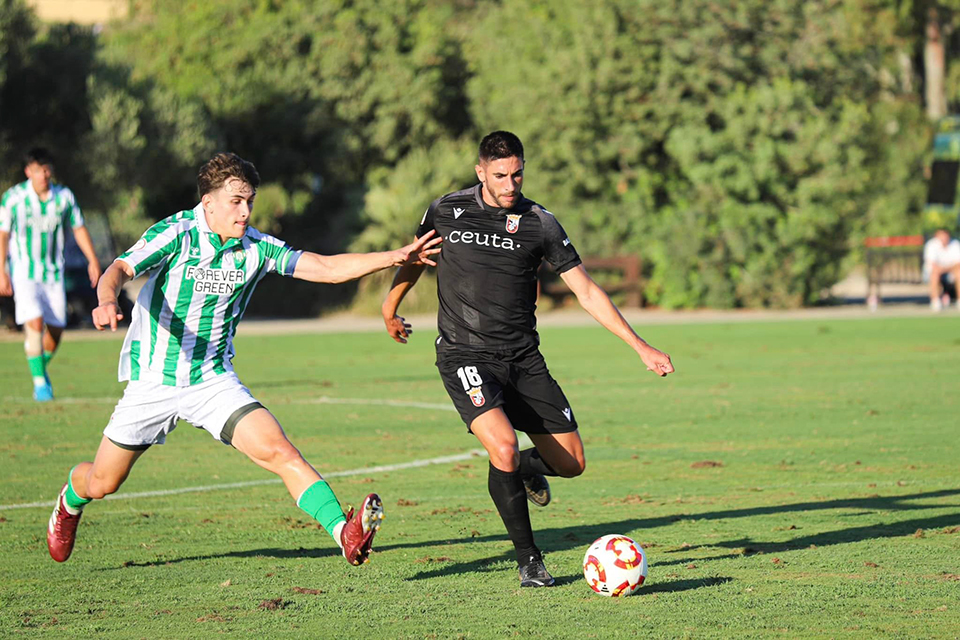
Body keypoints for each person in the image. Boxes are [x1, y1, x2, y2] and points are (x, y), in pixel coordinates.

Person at [46, 152, 441, 566]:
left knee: (280, 451)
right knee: (102, 482)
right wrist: (107, 300)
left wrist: (395, 256)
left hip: (212, 380)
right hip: (153, 380)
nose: (245, 211)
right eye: (236, 201)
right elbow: (119, 269)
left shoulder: (257, 247)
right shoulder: (178, 233)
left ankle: (345, 533)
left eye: (249, 201)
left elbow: (325, 268)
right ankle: (69, 502)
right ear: (208, 203)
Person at [381, 131, 674, 587]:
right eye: (500, 175)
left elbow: (586, 291)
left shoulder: (540, 223)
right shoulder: (446, 210)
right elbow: (416, 258)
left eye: (517, 174)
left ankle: (522, 469)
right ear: (481, 171)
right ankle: (529, 561)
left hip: (523, 358)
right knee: (501, 446)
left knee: (572, 463)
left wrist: (641, 346)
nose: (510, 184)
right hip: (463, 354)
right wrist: (390, 306)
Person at [0, 147, 102, 401]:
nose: (43, 175)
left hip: (54, 273)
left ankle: (38, 366)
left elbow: (79, 228)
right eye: (37, 170)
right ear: (28, 172)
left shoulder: (64, 197)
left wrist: (92, 260)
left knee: (56, 329)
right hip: (24, 272)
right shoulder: (13, 198)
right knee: (34, 321)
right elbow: (3, 234)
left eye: (46, 170)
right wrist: (1, 269)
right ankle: (40, 385)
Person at [923, 228, 960, 311]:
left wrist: (946, 268)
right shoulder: (931, 245)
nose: (944, 238)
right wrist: (946, 268)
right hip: (935, 272)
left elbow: (958, 264)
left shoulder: (955, 244)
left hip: (951, 272)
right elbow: (933, 265)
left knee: (959, 273)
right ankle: (935, 301)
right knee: (934, 273)